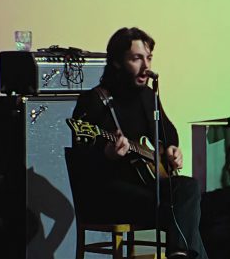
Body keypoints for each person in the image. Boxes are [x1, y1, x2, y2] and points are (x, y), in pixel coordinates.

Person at [72, 27, 208, 259]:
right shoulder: (95, 101)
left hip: (146, 187)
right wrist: (107, 154)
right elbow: (80, 157)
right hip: (108, 193)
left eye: (149, 58)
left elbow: (168, 132)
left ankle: (178, 253)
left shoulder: (147, 96)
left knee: (189, 187)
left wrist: (172, 149)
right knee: (185, 214)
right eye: (137, 58)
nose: (146, 66)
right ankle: (179, 253)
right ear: (116, 62)